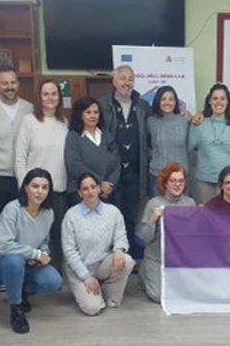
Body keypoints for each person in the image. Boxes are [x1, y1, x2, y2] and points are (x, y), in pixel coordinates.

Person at [0, 168, 63, 334]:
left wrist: (43, 254)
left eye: (44, 187)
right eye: (35, 186)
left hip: (28, 264)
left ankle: (21, 291)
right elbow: (3, 244)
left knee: (54, 281)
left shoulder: (48, 213)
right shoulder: (12, 209)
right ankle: (16, 309)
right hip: (0, 265)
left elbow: (44, 242)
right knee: (15, 260)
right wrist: (34, 253)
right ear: (25, 187)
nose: (39, 191)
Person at [62, 172, 136, 316]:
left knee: (126, 260)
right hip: (80, 269)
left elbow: (121, 236)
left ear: (99, 189)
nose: (90, 191)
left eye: (93, 187)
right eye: (85, 189)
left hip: (102, 265)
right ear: (79, 192)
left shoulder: (113, 212)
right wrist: (86, 277)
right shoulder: (71, 216)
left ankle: (108, 291)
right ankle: (89, 290)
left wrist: (119, 250)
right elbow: (69, 251)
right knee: (92, 309)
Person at [15, 78, 69, 273]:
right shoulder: (29, 121)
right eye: (46, 94)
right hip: (35, 191)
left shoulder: (64, 122)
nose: (50, 98)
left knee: (56, 233)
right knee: (34, 234)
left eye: (54, 93)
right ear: (39, 97)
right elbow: (20, 157)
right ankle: (31, 274)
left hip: (58, 188)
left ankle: (54, 273)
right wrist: (24, 187)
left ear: (59, 97)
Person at [98, 65, 151, 259]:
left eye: (130, 79)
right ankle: (109, 256)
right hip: (111, 173)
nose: (126, 83)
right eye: (122, 78)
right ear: (114, 81)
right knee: (110, 215)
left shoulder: (143, 106)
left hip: (136, 172)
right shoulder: (103, 105)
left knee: (130, 215)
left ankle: (127, 256)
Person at [0, 66, 33, 238]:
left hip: (24, 176)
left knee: (23, 222)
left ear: (18, 84)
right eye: (4, 83)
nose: (9, 87)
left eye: (13, 82)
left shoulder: (30, 109)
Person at [134, 162, 196, 302]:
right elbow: (144, 238)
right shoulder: (154, 204)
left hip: (179, 260)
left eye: (180, 181)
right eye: (173, 181)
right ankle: (145, 272)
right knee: (159, 295)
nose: (177, 184)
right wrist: (152, 219)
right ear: (165, 183)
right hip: (157, 258)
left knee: (187, 292)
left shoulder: (190, 203)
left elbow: (194, 237)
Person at [188, 83, 230, 205]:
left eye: (223, 98)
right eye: (215, 98)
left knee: (228, 219)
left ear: (228, 102)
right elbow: (189, 149)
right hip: (204, 182)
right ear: (209, 102)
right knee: (206, 218)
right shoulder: (199, 124)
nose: (219, 102)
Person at [64, 97, 121, 206]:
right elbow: (75, 166)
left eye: (96, 112)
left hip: (108, 194)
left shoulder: (107, 135)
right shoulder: (73, 137)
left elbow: (117, 162)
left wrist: (110, 184)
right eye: (88, 112)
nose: (93, 115)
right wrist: (98, 184)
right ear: (80, 114)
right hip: (82, 194)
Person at [145, 85, 189, 197]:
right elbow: (146, 146)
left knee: (180, 213)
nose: (167, 102)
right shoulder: (150, 122)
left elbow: (191, 146)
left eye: (171, 99)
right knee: (158, 212)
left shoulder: (184, 121)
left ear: (176, 102)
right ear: (158, 101)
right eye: (163, 99)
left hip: (180, 177)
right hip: (157, 176)